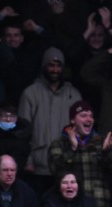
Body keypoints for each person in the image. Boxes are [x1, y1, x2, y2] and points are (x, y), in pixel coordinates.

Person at [47, 99, 112, 207]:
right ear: (73, 120)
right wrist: (73, 149)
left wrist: (107, 152)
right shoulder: (60, 143)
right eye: (83, 115)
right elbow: (55, 169)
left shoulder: (101, 142)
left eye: (91, 115)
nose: (89, 119)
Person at [17, 47, 83, 193]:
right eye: (51, 65)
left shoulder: (73, 94)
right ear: (44, 66)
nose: (55, 69)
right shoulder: (30, 93)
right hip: (39, 165)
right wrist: (27, 161)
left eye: (59, 65)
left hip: (66, 166)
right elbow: (22, 132)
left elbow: (81, 131)